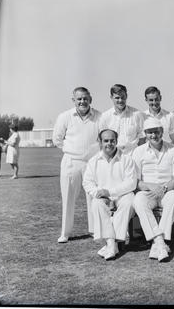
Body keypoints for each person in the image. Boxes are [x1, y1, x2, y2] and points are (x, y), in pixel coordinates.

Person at [52, 86, 102, 243]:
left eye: (85, 98)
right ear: (73, 100)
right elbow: (57, 139)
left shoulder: (100, 116)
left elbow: (104, 137)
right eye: (79, 99)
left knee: (94, 197)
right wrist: (72, 151)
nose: (82, 101)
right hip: (71, 162)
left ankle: (95, 230)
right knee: (68, 198)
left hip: (92, 163)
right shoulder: (65, 116)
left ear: (90, 99)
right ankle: (65, 233)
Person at [131, 118, 174, 262]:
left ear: (162, 132)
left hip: (167, 190)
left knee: (173, 199)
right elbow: (135, 180)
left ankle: (157, 244)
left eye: (156, 132)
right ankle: (160, 241)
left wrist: (164, 188)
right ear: (145, 134)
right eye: (150, 132)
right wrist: (149, 186)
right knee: (138, 201)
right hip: (148, 191)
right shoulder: (138, 151)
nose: (154, 135)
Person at [83, 129, 137, 260]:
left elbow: (131, 183)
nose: (109, 143)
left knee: (129, 202)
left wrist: (111, 193)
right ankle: (112, 243)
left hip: (122, 195)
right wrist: (100, 194)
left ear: (116, 141)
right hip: (103, 197)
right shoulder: (93, 161)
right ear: (100, 142)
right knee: (96, 203)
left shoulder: (127, 159)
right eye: (106, 140)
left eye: (112, 140)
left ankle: (112, 243)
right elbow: (87, 183)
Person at [99, 84, 144, 154]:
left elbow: (142, 138)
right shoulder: (105, 117)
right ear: (111, 97)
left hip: (133, 156)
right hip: (113, 156)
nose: (120, 100)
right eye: (117, 98)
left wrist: (139, 155)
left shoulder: (137, 114)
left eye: (123, 97)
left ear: (126, 96)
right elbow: (102, 141)